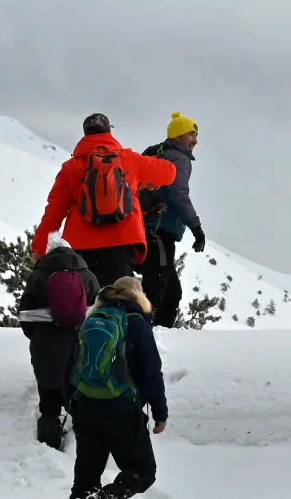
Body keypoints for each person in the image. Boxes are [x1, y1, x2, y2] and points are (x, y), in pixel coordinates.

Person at [63, 276, 168, 499]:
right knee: (143, 470)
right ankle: (111, 497)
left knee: (86, 477)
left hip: (86, 406)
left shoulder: (91, 319)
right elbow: (151, 372)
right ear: (138, 296)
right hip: (122, 410)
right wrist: (160, 413)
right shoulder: (137, 324)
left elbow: (69, 366)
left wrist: (71, 402)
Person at [30, 113, 177, 287]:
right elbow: (170, 172)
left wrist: (39, 249)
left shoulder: (70, 168)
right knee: (114, 305)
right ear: (109, 132)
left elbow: (54, 212)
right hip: (122, 245)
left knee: (85, 307)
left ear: (86, 134)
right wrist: (153, 176)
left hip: (81, 249)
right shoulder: (129, 159)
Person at [17, 239, 101, 450]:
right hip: (79, 346)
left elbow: (25, 314)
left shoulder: (38, 276)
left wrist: (36, 337)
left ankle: (48, 442)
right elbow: (99, 312)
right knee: (79, 396)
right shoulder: (88, 276)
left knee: (49, 400)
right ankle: (85, 444)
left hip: (46, 346)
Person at [137, 111, 206, 327]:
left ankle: (153, 337)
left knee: (171, 293)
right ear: (178, 136)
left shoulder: (155, 153)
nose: (195, 140)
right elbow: (179, 194)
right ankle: (143, 339)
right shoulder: (179, 158)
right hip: (160, 231)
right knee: (156, 295)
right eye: (191, 135)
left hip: (143, 228)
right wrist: (196, 227)